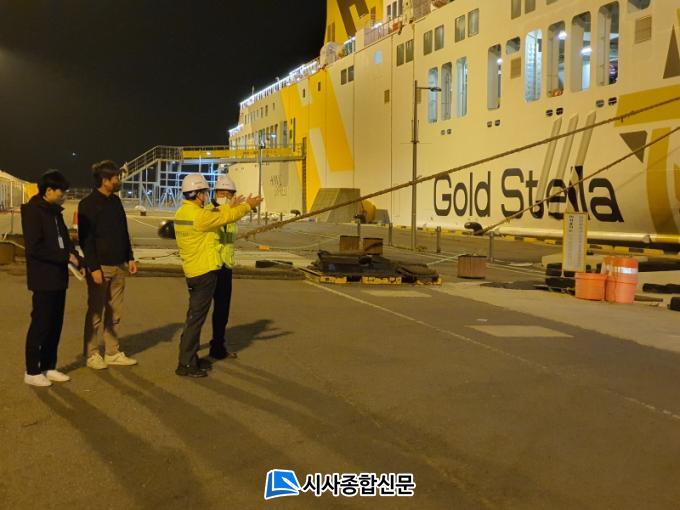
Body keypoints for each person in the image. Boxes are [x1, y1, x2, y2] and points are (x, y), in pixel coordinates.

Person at [174, 174, 262, 377]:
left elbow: (217, 215)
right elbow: (219, 217)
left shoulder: (184, 212)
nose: (206, 196)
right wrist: (247, 206)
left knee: (196, 317)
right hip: (204, 271)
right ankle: (185, 364)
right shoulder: (200, 215)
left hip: (197, 268)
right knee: (195, 320)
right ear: (198, 194)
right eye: (205, 192)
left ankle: (190, 359)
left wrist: (231, 207)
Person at [21, 170, 84, 387]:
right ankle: (32, 370)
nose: (64, 195)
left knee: (56, 323)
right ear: (48, 190)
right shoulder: (33, 212)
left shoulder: (55, 212)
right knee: (41, 323)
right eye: (61, 192)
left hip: (58, 276)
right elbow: (34, 248)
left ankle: (48, 366)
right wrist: (64, 256)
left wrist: (77, 259)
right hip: (43, 277)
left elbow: (65, 241)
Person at [78, 160, 138, 370]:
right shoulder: (87, 204)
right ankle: (92, 354)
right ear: (105, 180)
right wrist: (93, 267)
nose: (119, 181)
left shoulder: (116, 202)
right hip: (100, 267)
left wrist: (130, 257)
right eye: (116, 178)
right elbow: (86, 239)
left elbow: (123, 232)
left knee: (115, 312)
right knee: (96, 312)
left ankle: (112, 352)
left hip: (119, 265)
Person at [209, 174, 241, 360]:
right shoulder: (209, 211)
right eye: (222, 193)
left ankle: (218, 347)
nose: (226, 196)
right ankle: (189, 353)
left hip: (225, 267)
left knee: (222, 311)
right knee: (199, 313)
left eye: (230, 194)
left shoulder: (232, 214)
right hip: (209, 267)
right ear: (216, 193)